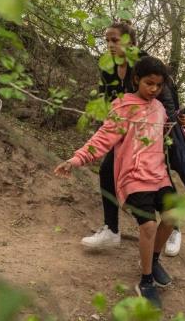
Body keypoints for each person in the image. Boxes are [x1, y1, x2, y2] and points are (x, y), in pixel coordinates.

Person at [54, 56, 176, 308]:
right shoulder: (122, 107)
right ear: (136, 80)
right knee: (149, 227)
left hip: (159, 174)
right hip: (133, 177)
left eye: (158, 85)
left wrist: (179, 125)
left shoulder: (161, 109)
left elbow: (162, 135)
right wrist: (76, 159)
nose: (154, 89)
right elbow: (101, 139)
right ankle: (146, 280)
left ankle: (152, 260)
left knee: (173, 217)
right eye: (148, 83)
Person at [80, 21, 185, 259]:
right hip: (125, 130)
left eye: (115, 40)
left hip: (153, 130)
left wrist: (165, 127)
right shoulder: (108, 68)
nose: (110, 45)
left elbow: (166, 97)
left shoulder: (146, 66)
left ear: (130, 42)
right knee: (107, 171)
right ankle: (112, 230)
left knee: (160, 173)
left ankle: (173, 228)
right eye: (107, 40)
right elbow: (106, 101)